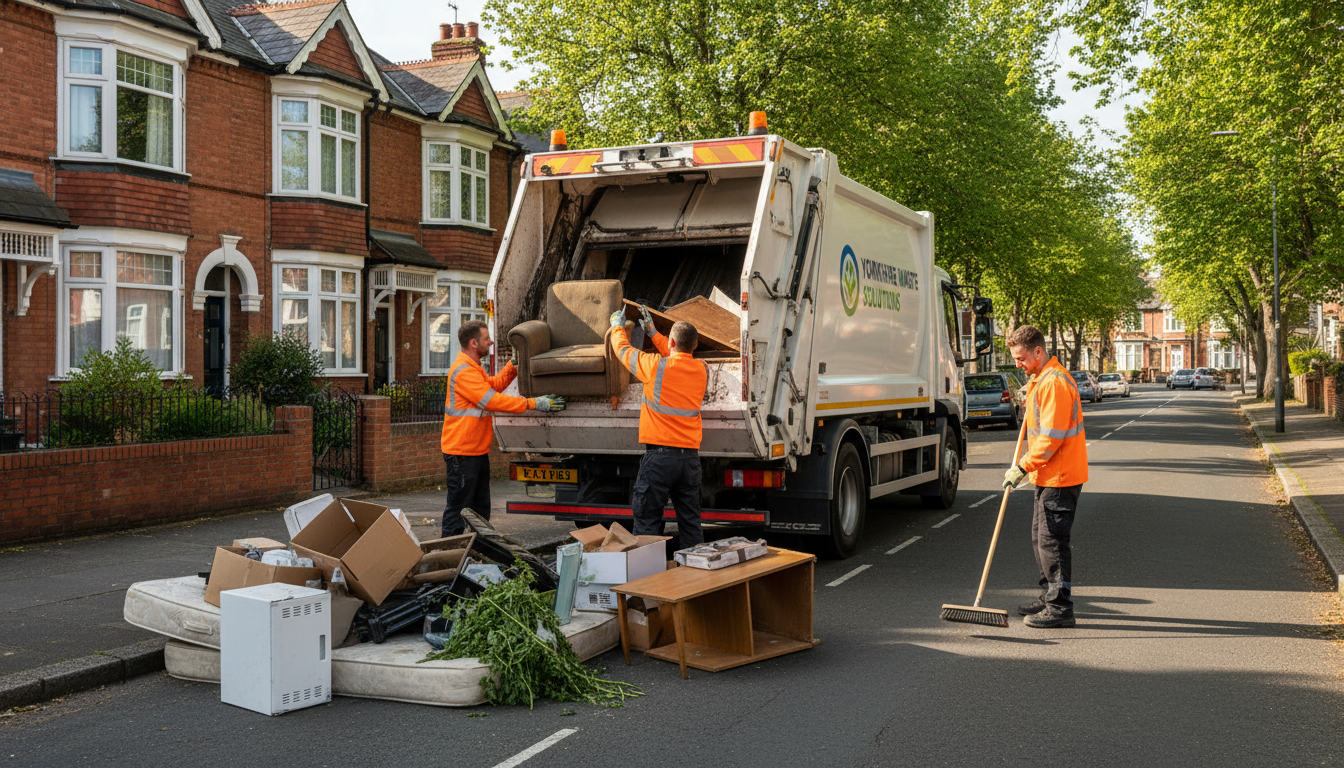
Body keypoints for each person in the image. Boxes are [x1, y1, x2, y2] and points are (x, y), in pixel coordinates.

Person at [440, 320, 565, 537]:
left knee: (480, 512)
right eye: (486, 339)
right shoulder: (464, 372)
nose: (490, 342)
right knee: (458, 511)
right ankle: (448, 559)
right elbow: (493, 401)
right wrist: (533, 403)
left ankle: (478, 555)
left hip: (474, 452)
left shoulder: (472, 368)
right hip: (462, 454)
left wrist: (513, 365)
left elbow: (493, 386)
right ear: (473, 343)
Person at [1003, 325, 1088, 628]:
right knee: (1041, 539)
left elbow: (1051, 437)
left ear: (1038, 351)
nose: (1018, 364)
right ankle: (1048, 595)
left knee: (1052, 542)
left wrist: (1022, 466)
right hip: (1047, 475)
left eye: (1021, 358)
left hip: (1060, 475)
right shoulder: (1042, 379)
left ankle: (1060, 607)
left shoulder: (1054, 382)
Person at [609, 306, 707, 551]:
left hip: (660, 460)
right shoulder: (700, 369)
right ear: (695, 346)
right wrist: (654, 333)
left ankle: (646, 582)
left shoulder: (654, 366)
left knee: (647, 523)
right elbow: (678, 354)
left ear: (672, 341)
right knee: (691, 523)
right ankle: (695, 580)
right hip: (690, 461)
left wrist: (617, 327)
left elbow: (623, 350)